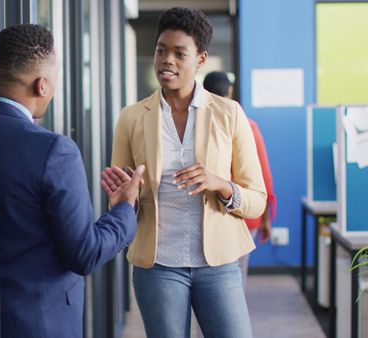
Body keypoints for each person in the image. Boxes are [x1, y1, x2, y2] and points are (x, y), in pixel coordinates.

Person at [0, 23, 145, 338]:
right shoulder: (54, 150)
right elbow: (85, 253)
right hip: (39, 325)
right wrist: (125, 207)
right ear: (42, 85)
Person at [106, 7, 266, 338]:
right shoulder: (132, 118)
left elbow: (257, 200)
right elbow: (122, 201)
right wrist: (124, 201)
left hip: (218, 265)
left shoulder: (229, 114)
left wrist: (221, 184)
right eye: (162, 50)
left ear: (201, 59)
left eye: (180, 53)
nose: (167, 60)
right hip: (158, 266)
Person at [203, 71, 277, 285]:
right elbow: (262, 174)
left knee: (210, 280)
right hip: (245, 214)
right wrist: (266, 218)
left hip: (212, 215)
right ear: (230, 91)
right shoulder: (246, 123)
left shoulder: (195, 125)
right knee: (235, 280)